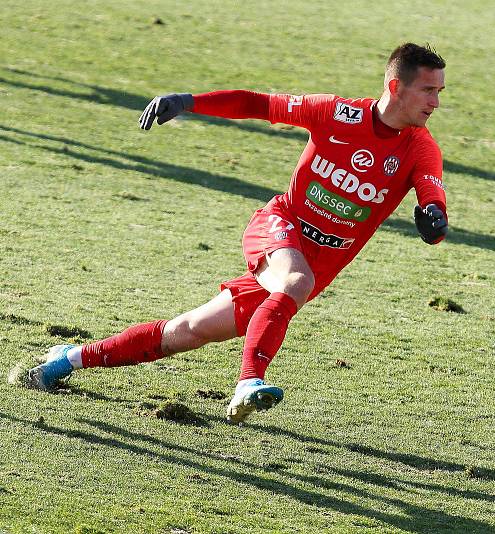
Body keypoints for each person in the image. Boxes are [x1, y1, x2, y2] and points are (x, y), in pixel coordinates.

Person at [24, 43, 449, 424]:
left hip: (318, 262)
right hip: (280, 227)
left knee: (188, 332)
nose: (435, 102)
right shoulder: (335, 113)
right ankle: (248, 382)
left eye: (439, 92)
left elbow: (432, 194)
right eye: (428, 91)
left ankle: (67, 360)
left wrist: (434, 218)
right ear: (396, 86)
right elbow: (259, 103)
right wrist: (187, 101)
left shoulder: (420, 148)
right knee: (295, 280)